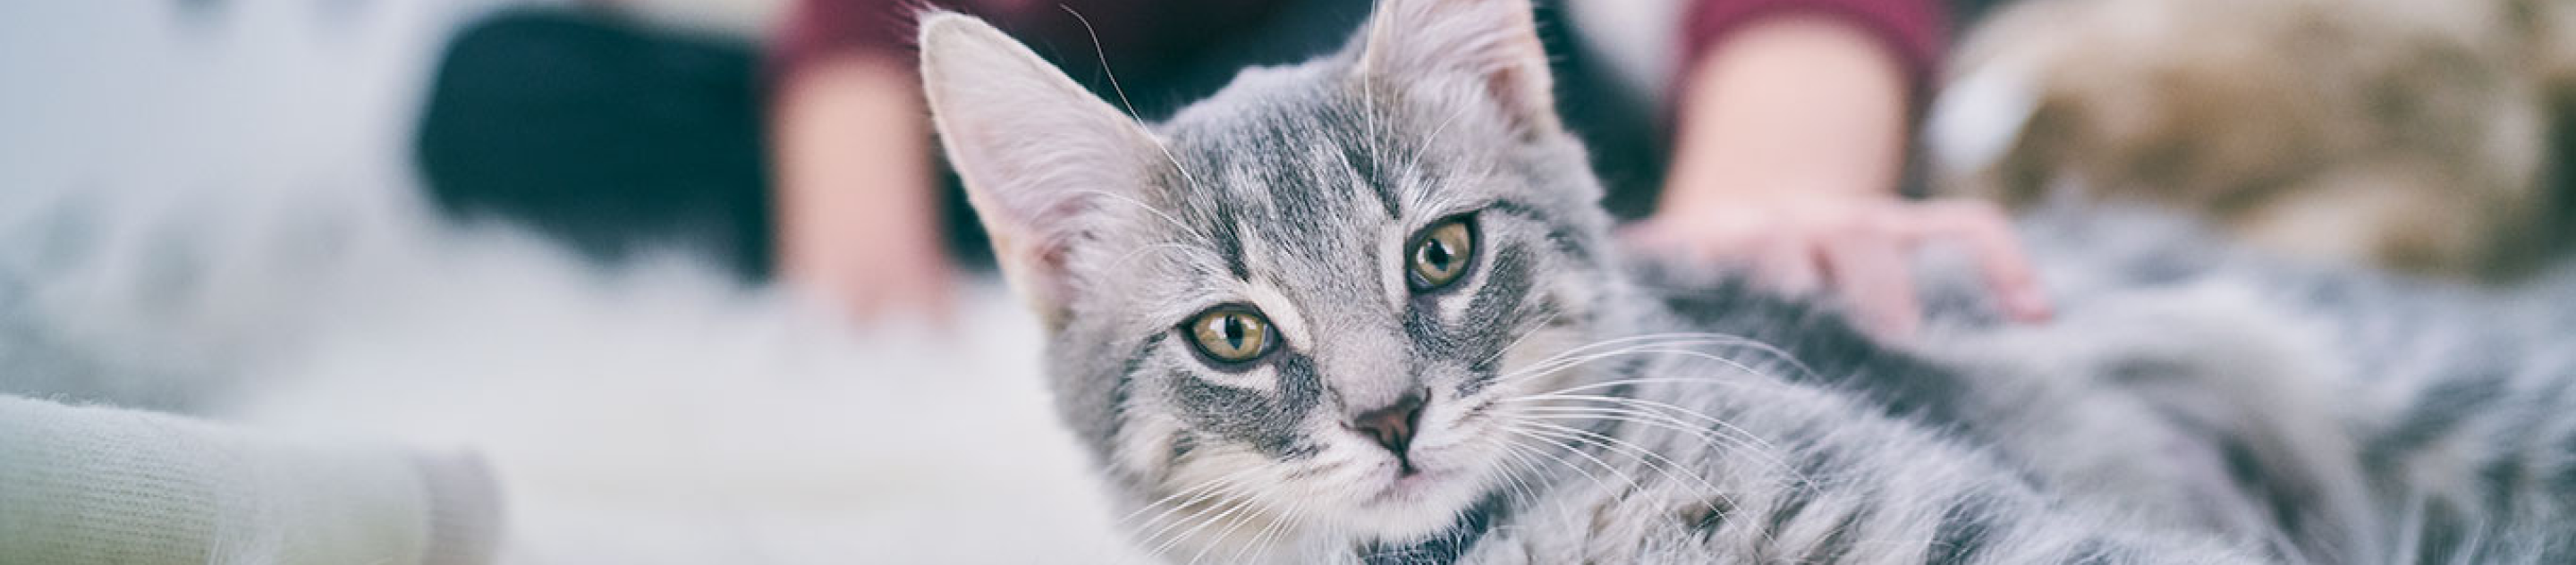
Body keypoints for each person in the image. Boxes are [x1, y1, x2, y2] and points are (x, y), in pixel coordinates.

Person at [418, 0, 2048, 338]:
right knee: (506, 91)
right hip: (1056, 91)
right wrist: (858, 265)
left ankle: (1222, 279)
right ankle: (1141, 272)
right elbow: (869, 30)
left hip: (1343, 54)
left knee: (1382, 73)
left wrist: (1759, 191)